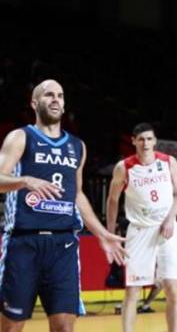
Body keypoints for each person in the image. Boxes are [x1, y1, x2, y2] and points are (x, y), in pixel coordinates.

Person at [0, 79, 126, 332]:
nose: (55, 99)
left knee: (64, 327)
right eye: (49, 95)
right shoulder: (20, 137)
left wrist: (101, 233)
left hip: (63, 245)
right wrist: (24, 180)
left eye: (60, 95)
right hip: (24, 243)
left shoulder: (77, 146)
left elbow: (77, 194)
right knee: (12, 327)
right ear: (35, 103)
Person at [105, 123, 177, 332]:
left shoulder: (168, 162)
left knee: (171, 288)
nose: (146, 143)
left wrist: (170, 218)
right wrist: (110, 233)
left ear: (155, 141)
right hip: (139, 230)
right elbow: (112, 200)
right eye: (141, 139)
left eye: (149, 139)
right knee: (132, 290)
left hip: (167, 229)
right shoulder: (124, 167)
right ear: (133, 141)